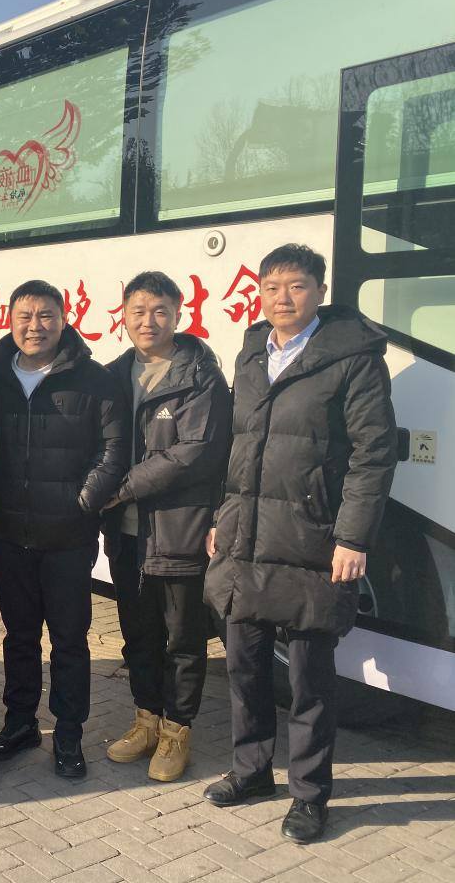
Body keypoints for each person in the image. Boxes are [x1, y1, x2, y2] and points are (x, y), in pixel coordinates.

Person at [203, 245, 397, 844]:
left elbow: (373, 454)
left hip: (314, 539)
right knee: (245, 665)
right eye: (271, 287)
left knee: (310, 680)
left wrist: (353, 537)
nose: (282, 298)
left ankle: (310, 795)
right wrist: (221, 517)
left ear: (320, 291)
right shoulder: (252, 354)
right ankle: (252, 770)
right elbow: (236, 446)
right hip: (244, 537)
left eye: (296, 286)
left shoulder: (353, 359)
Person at [0, 279, 127, 781]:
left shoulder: (93, 379)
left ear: (63, 320)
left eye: (46, 316)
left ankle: (68, 734)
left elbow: (113, 450)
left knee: (69, 641)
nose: (35, 326)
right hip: (10, 531)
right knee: (19, 637)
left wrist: (83, 502)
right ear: (9, 320)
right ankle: (20, 723)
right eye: (25, 316)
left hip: (68, 537)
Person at [100, 271, 231, 782]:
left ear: (179, 313)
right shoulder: (113, 375)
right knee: (138, 634)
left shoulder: (201, 377)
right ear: (124, 316)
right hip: (127, 534)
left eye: (159, 311)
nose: (148, 321)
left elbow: (195, 452)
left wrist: (123, 486)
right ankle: (146, 721)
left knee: (182, 638)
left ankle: (178, 730)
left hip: (179, 530)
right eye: (138, 311)